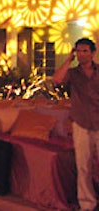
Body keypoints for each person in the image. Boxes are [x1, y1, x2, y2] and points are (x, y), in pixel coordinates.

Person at [52, 38, 99, 211]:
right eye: (78, 51)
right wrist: (68, 59)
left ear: (92, 52)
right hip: (81, 122)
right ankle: (87, 204)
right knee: (83, 166)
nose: (81, 54)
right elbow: (56, 80)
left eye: (85, 51)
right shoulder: (72, 73)